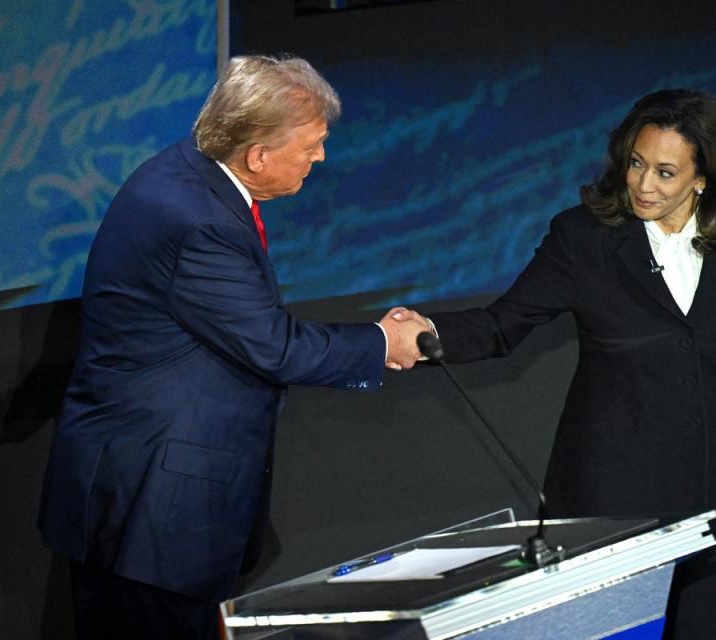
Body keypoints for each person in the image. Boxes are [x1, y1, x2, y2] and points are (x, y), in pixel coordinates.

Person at [38, 55, 429, 640]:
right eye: (312, 145)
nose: (320, 158)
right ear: (258, 155)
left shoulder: (185, 172)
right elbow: (273, 345)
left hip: (138, 494)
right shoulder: (200, 221)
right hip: (154, 512)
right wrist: (383, 343)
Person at [396, 89, 716, 638]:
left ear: (702, 178)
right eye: (636, 163)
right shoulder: (583, 237)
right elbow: (502, 324)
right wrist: (424, 336)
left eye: (665, 172)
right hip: (614, 493)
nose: (643, 184)